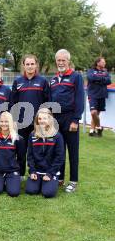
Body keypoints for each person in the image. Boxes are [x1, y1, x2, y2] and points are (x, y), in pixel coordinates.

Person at [49, 49, 84, 192]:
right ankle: (60, 178)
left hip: (70, 118)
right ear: (56, 61)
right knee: (59, 150)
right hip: (56, 119)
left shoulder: (76, 77)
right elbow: (50, 100)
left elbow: (80, 98)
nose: (61, 62)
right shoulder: (53, 79)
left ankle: (73, 181)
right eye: (59, 60)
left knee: (73, 151)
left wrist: (76, 120)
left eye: (63, 60)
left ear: (68, 61)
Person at [11, 54, 49, 178]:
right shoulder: (18, 81)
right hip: (21, 122)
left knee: (37, 149)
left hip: (38, 123)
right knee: (21, 150)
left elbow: (47, 102)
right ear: (23, 65)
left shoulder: (42, 81)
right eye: (27, 64)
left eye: (32, 64)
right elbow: (13, 103)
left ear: (36, 65)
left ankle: (37, 172)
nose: (30, 66)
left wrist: (45, 120)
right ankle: (21, 173)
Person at [25, 108, 65, 198]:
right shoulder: (32, 135)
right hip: (37, 171)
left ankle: (49, 182)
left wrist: (50, 174)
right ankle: (39, 182)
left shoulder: (57, 136)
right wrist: (32, 171)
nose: (42, 121)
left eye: (44, 118)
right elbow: (30, 155)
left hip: (51, 171)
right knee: (30, 190)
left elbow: (60, 157)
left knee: (48, 193)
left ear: (50, 119)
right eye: (39, 119)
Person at [0, 112, 25, 197]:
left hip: (12, 170)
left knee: (14, 193)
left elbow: (21, 158)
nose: (4, 124)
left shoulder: (18, 138)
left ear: (11, 123)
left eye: (6, 121)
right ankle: (2, 181)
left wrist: (21, 173)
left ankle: (9, 181)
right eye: (1, 121)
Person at [87, 57, 111, 137]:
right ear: (98, 63)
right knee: (93, 113)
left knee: (96, 114)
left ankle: (91, 131)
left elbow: (109, 81)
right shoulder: (91, 71)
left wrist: (97, 79)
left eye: (105, 62)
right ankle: (99, 127)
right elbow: (91, 78)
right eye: (103, 62)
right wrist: (102, 79)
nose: (105, 63)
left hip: (102, 95)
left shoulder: (105, 71)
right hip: (93, 95)